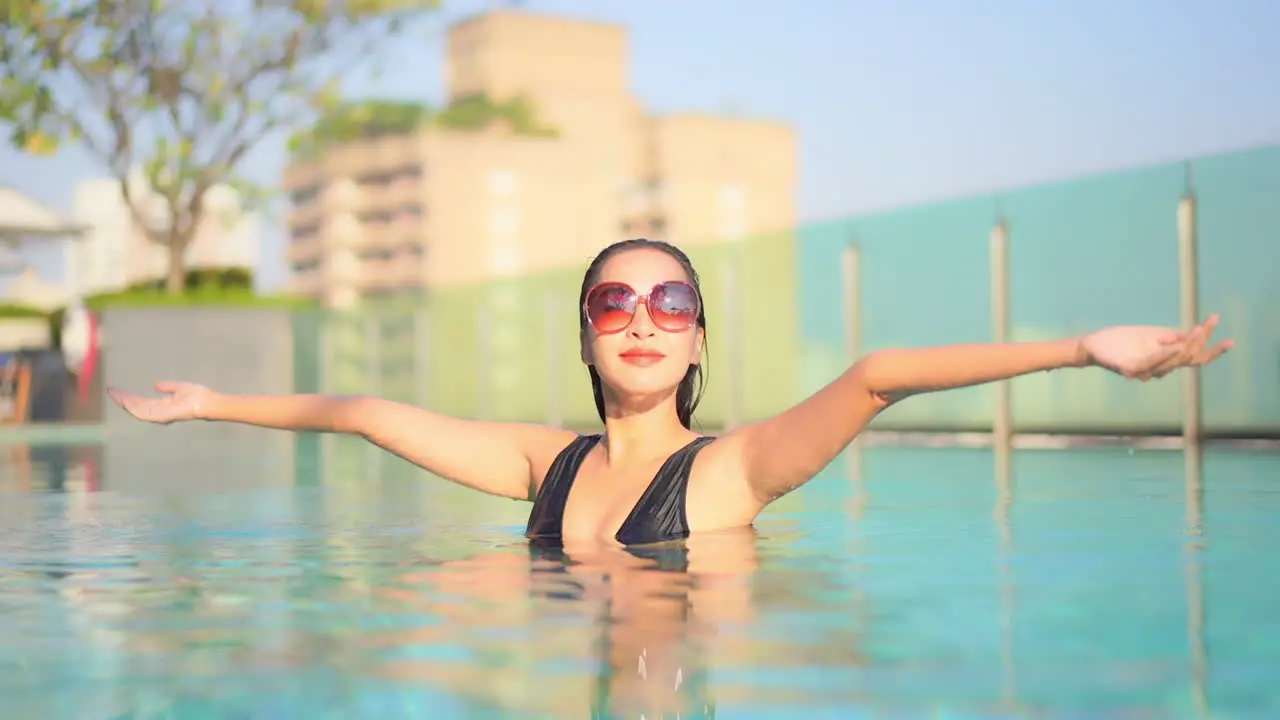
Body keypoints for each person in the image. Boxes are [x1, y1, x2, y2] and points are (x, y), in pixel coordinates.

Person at [108, 238, 1233, 548]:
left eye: (670, 303)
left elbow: (878, 376)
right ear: (586, 337)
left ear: (697, 343)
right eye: (612, 303)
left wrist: (1084, 347)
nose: (641, 320)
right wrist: (210, 406)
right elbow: (358, 416)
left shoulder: (731, 471)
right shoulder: (543, 465)